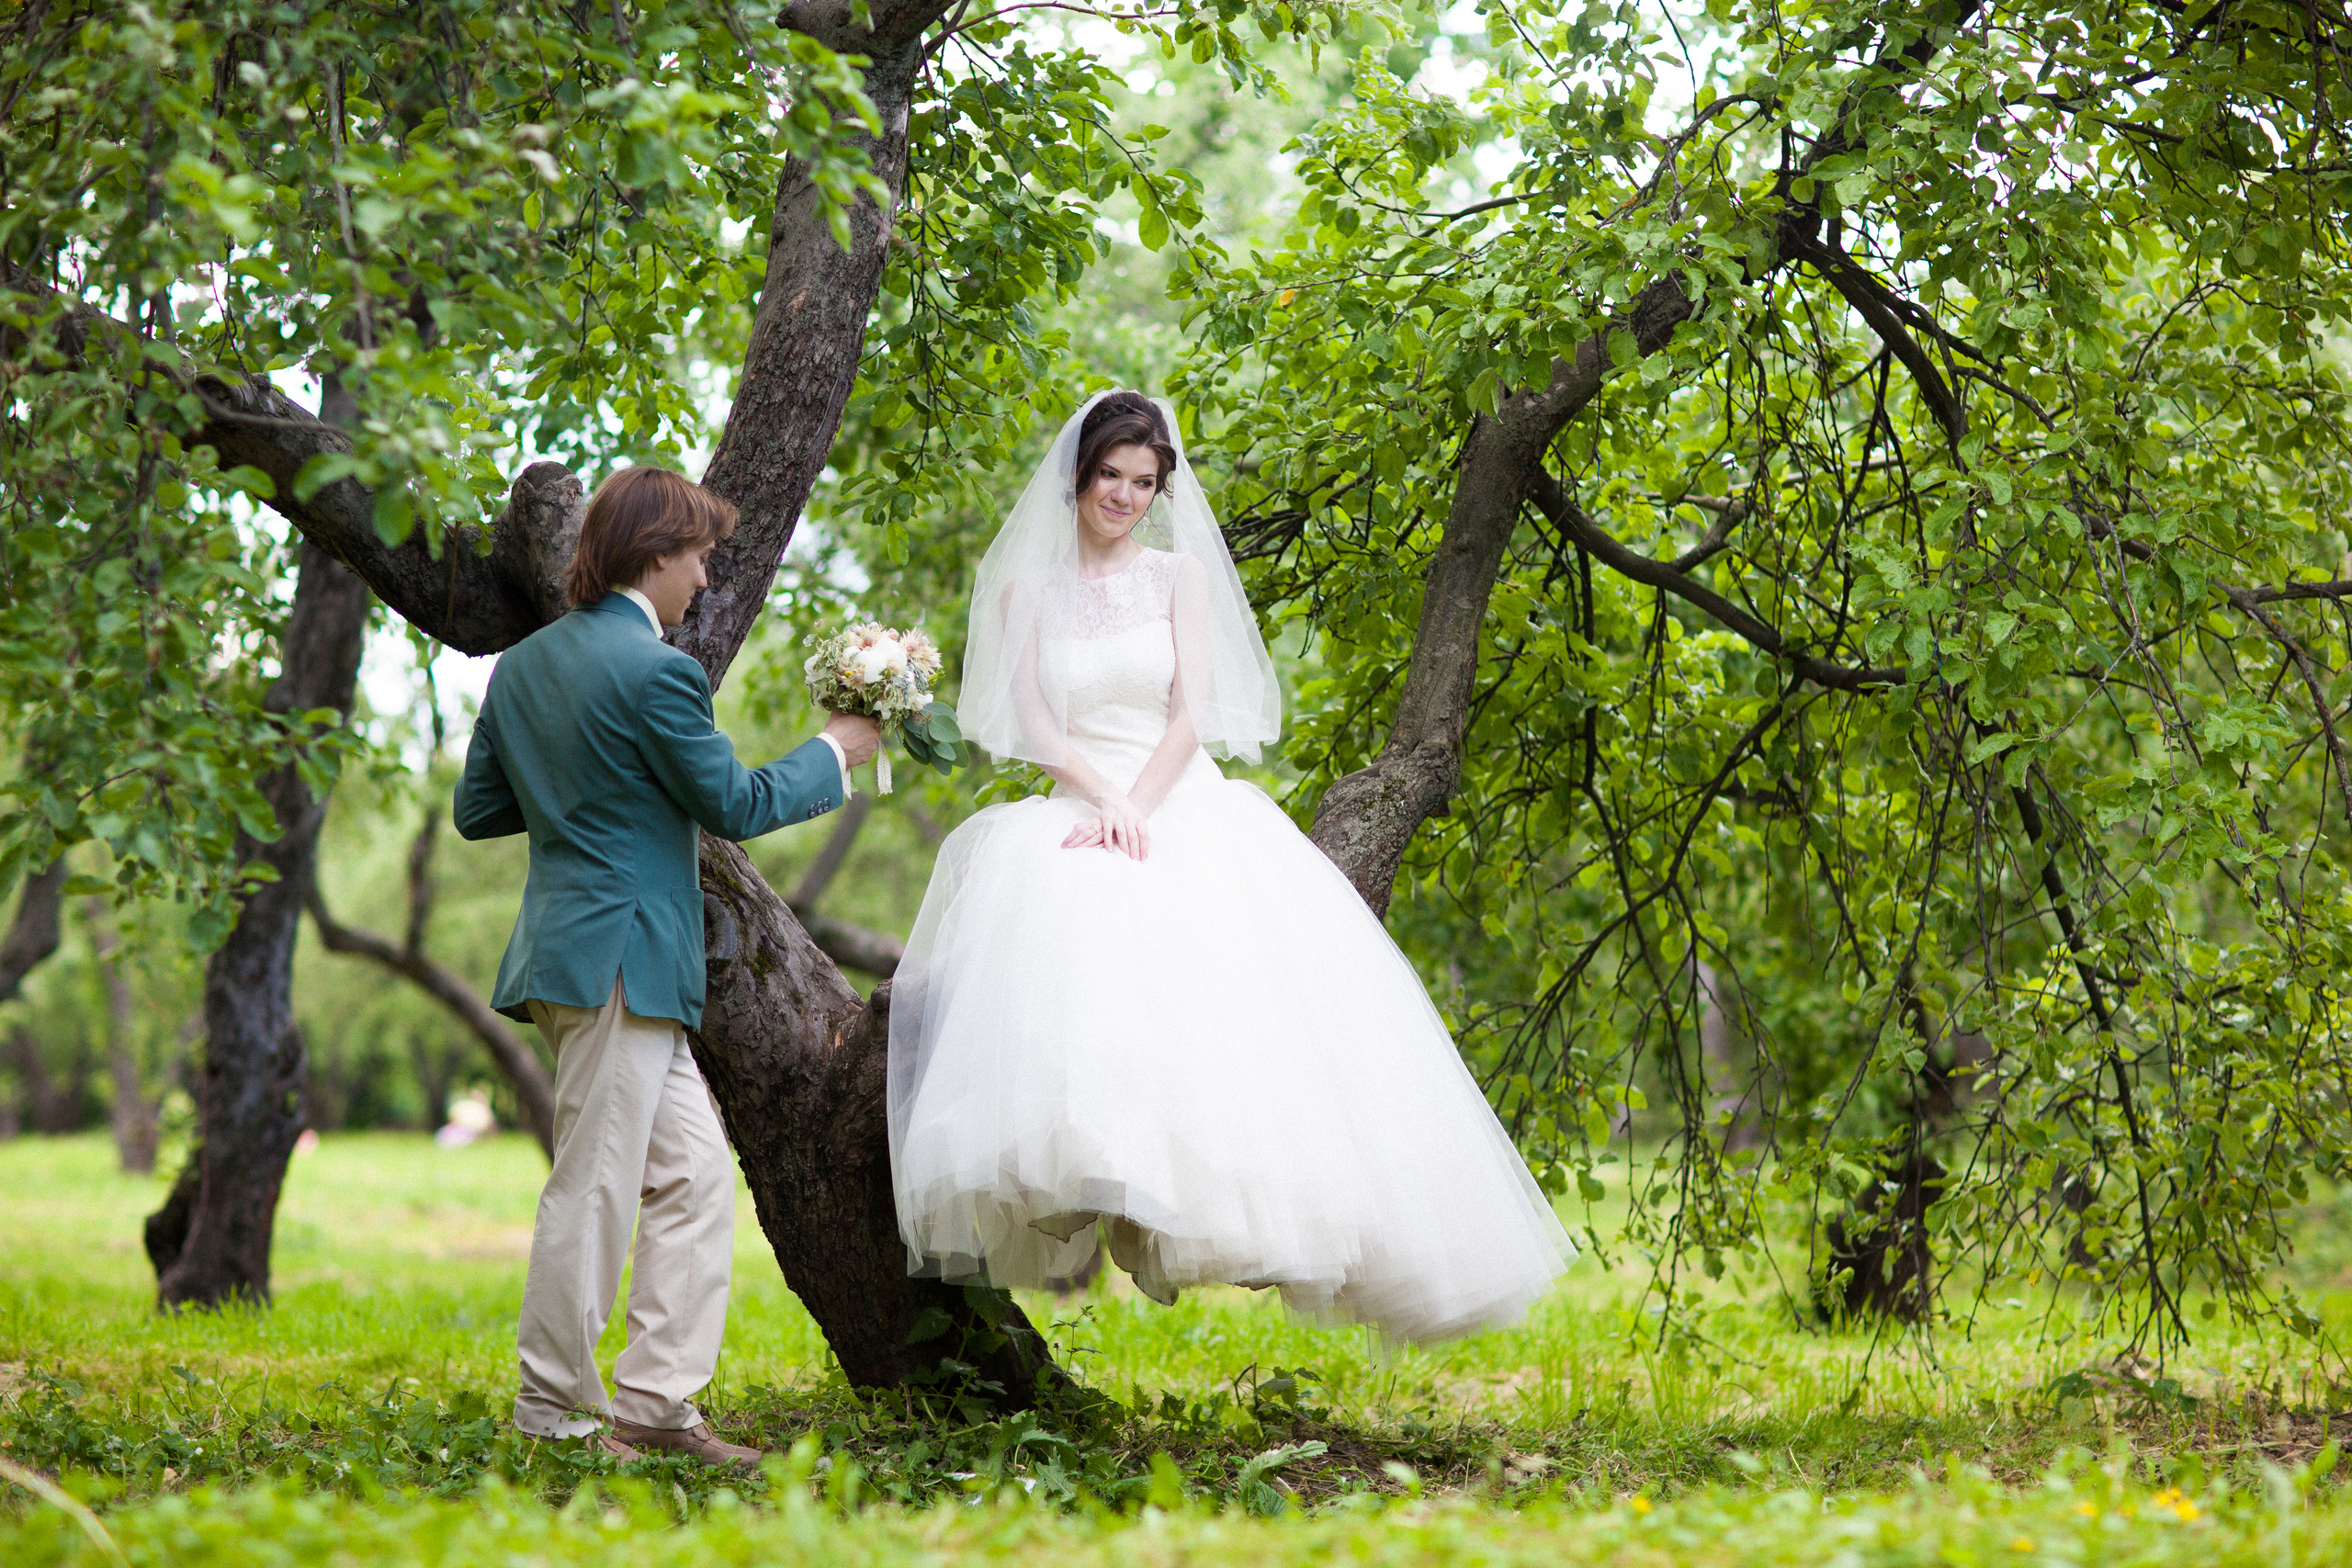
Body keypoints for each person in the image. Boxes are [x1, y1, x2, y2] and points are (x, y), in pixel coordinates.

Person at [887, 392, 1573, 1342]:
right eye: (1109, 477)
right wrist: (1101, 797)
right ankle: (1095, 1192)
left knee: (1232, 1024)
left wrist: (1141, 803)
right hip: (1080, 802)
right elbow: (1034, 724)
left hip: (1180, 799)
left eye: (1142, 482)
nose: (1123, 496)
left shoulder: (1175, 580)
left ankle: (1239, 1214)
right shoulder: (1025, 594)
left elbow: (1189, 714)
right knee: (1071, 995)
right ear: (1077, 475)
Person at [455, 466, 879, 1463]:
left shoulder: (522, 668)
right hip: (617, 960)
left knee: (692, 1178)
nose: (704, 576)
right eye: (697, 556)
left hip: (589, 958)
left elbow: (480, 810)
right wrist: (833, 752)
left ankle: (656, 1404)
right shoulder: (657, 673)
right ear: (654, 555)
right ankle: (555, 1415)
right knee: (596, 1186)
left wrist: (581, 787)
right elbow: (734, 804)